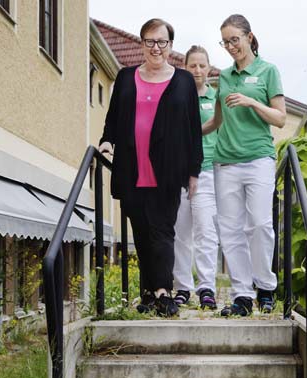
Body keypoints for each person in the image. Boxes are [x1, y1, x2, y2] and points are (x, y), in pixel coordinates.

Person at [99, 18, 203, 316]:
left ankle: (163, 291)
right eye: (149, 41)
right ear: (141, 43)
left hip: (169, 168)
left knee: (162, 230)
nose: (156, 47)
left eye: (162, 42)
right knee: (141, 231)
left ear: (171, 45)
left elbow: (193, 129)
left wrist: (193, 170)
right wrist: (107, 141)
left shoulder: (183, 80)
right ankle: (147, 291)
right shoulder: (125, 76)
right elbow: (113, 115)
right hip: (132, 165)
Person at [202, 14, 286, 317]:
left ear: (250, 37)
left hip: (258, 158)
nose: (230, 46)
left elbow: (280, 118)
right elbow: (217, 120)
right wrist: (186, 132)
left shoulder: (268, 71)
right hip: (225, 161)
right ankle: (242, 295)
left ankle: (265, 287)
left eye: (234, 39)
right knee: (230, 231)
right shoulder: (223, 76)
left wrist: (252, 102)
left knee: (261, 225)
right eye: (225, 42)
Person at [172, 46, 220, 310]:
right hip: (180, 171)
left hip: (208, 170)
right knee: (181, 232)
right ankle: (182, 288)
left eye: (202, 66)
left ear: (210, 69)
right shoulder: (178, 97)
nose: (198, 71)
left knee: (205, 230)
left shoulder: (217, 99)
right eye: (193, 66)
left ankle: (206, 288)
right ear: (185, 68)